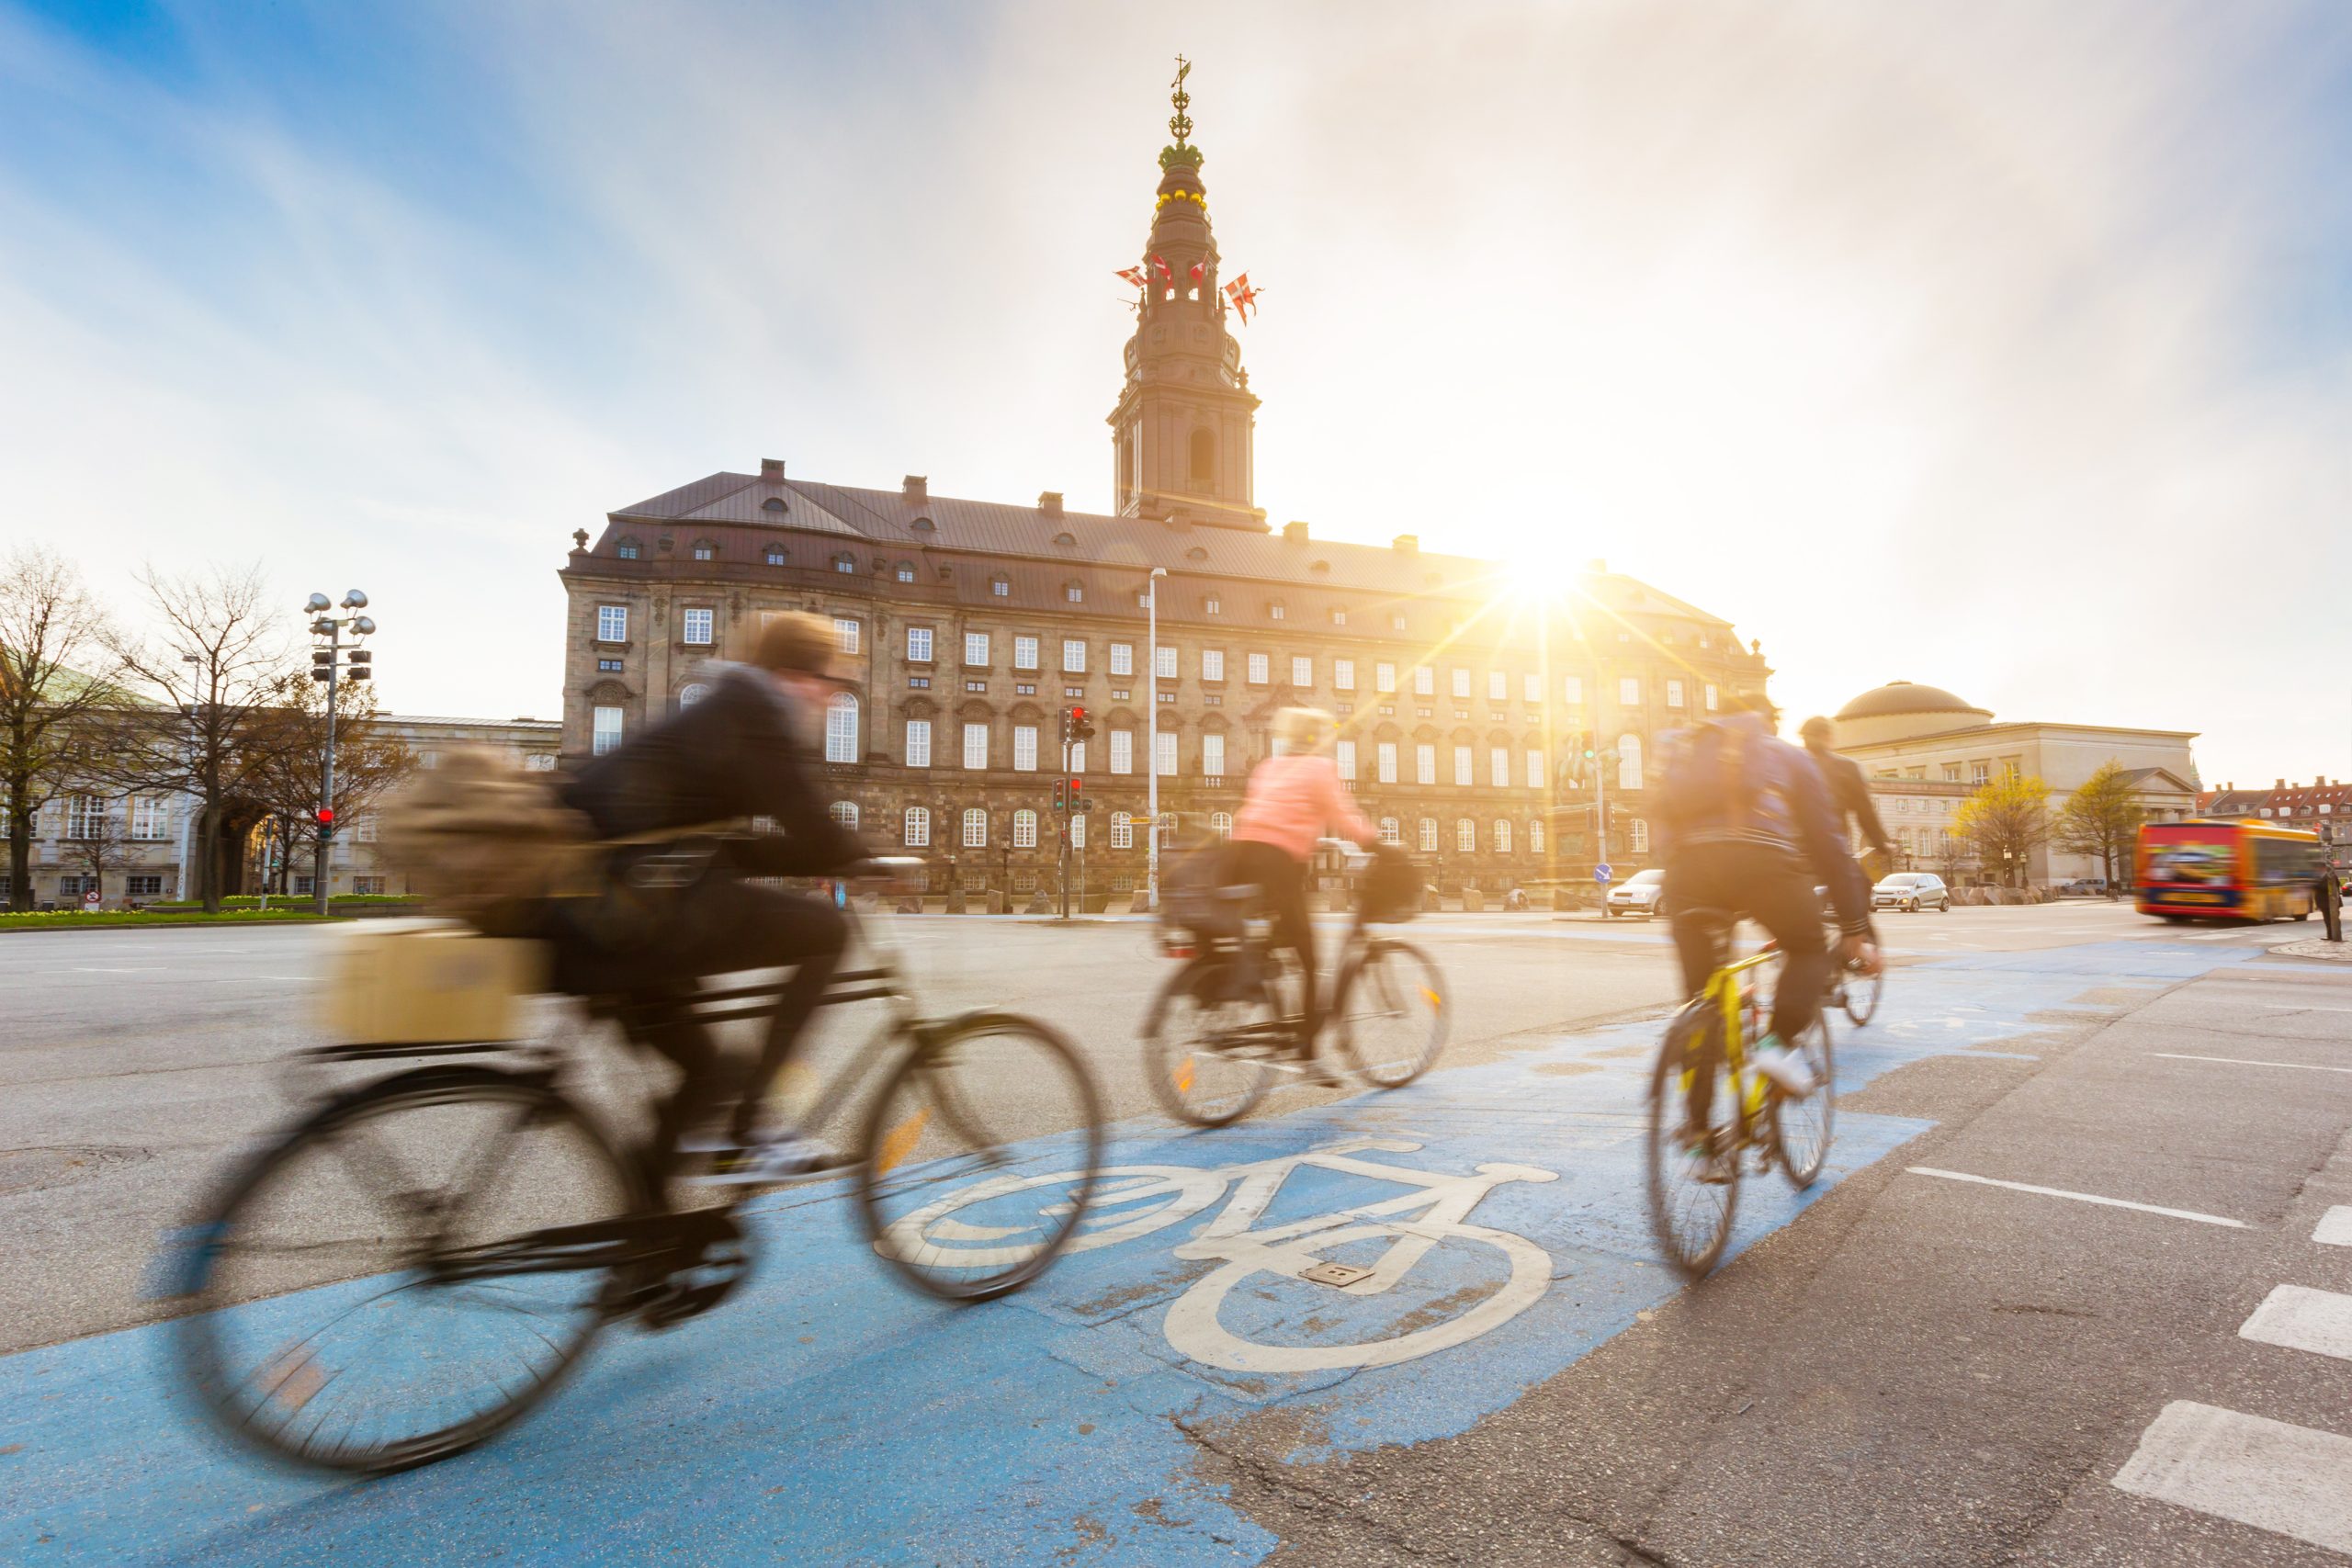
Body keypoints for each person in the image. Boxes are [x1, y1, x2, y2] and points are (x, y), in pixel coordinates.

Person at [548, 611, 867, 1191]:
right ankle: (752, 1130)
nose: (832, 694)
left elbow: (733, 852)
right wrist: (860, 855)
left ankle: (650, 1245)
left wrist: (830, 855)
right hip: (623, 912)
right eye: (829, 679)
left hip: (599, 908)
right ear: (795, 674)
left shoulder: (728, 708)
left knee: (711, 1076)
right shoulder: (756, 713)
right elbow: (811, 829)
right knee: (827, 931)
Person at [1658, 694, 1878, 1134]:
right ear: (1767, 722)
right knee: (1808, 947)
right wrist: (1854, 926)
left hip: (1688, 874)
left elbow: (1661, 820)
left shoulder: (1684, 749)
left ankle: (1699, 1137)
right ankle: (1778, 1046)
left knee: (1701, 999)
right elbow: (1829, 844)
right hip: (1764, 865)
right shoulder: (1786, 757)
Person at [1225, 707, 1381, 1059]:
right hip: (1278, 863)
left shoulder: (1268, 766)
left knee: (1271, 937)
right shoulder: (1320, 768)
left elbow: (1253, 812)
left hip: (1241, 855)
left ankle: (1255, 980)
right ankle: (1307, 1047)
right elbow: (1342, 816)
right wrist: (1377, 842)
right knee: (1309, 959)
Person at [1799, 715, 1894, 872]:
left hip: (1795, 851)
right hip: (1830, 848)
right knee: (1857, 890)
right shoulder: (1845, 767)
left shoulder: (1790, 764)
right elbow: (1864, 810)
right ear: (1826, 736)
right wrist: (1881, 843)